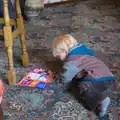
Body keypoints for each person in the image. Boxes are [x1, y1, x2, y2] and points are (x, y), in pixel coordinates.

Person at [52, 34, 116, 117]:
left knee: (83, 88)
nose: (59, 59)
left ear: (65, 51)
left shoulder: (72, 61)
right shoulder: (83, 52)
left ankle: (102, 100)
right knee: (82, 79)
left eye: (58, 56)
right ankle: (104, 90)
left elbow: (66, 77)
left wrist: (59, 78)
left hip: (97, 79)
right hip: (109, 76)